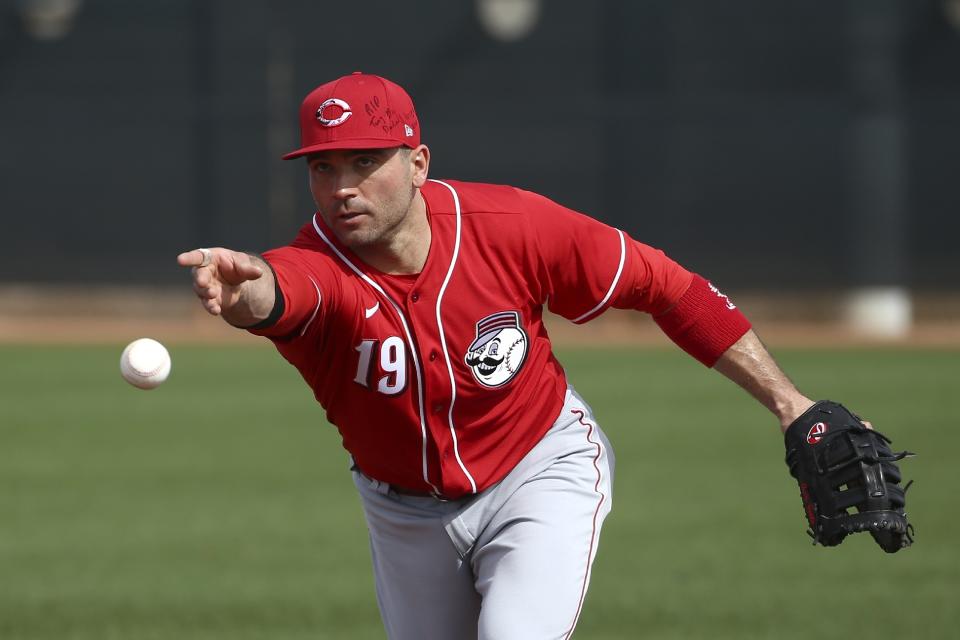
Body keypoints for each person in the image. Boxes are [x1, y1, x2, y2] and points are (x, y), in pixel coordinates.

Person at [177, 71, 815, 639]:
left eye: (365, 161)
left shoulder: (512, 226)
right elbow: (277, 291)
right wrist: (244, 288)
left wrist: (790, 404)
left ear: (418, 162)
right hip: (404, 514)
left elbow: (670, 289)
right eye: (323, 168)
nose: (343, 188)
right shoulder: (319, 263)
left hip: (538, 469)